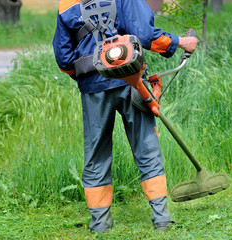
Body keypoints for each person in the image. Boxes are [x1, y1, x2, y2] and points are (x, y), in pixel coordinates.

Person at [52, 0, 198, 233]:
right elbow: (144, 34)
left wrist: (89, 74)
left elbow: (64, 59)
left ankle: (100, 224)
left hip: (92, 87)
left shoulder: (66, 4)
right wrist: (181, 42)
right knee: (146, 145)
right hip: (132, 79)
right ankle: (161, 219)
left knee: (96, 153)